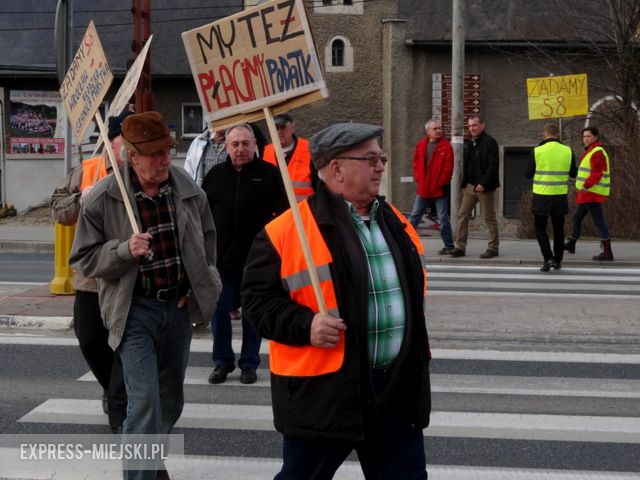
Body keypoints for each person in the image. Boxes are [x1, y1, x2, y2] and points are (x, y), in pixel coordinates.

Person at [242, 123, 431, 479]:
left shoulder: (396, 222)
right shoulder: (287, 230)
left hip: (395, 391)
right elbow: (257, 302)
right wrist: (306, 324)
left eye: (382, 158)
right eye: (371, 159)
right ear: (336, 169)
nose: (380, 166)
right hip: (326, 393)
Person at [70, 111, 222, 480]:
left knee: (170, 400)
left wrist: (203, 284)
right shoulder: (105, 197)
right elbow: (84, 259)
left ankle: (149, 461)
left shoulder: (186, 188)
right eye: (154, 154)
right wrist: (124, 251)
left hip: (177, 309)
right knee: (144, 403)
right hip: (134, 310)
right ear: (131, 157)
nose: (164, 160)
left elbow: (206, 240)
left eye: (167, 151)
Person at [50, 109, 133, 434]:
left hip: (127, 276)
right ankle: (114, 390)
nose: (130, 145)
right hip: (90, 278)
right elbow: (59, 211)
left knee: (125, 343)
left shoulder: (142, 170)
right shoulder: (87, 170)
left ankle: (119, 404)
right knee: (89, 339)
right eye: (124, 137)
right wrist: (78, 199)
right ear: (111, 141)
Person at [203, 124, 287, 385]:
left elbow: (284, 216)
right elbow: (202, 216)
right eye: (235, 144)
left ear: (254, 145)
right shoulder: (214, 176)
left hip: (257, 260)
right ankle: (222, 362)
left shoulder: (270, 175)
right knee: (219, 312)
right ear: (226, 147)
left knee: (252, 313)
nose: (240, 149)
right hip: (222, 259)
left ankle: (249, 363)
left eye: (245, 143)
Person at [525, 123, 577, 271]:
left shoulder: (537, 151)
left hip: (541, 195)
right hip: (559, 195)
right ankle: (558, 260)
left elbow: (527, 174)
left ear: (544, 135)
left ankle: (548, 258)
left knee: (540, 228)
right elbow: (574, 173)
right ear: (558, 135)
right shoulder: (568, 150)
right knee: (558, 229)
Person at [449, 115, 500, 259]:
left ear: (482, 125)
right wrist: (464, 184)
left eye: (475, 125)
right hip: (471, 187)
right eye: (470, 126)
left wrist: (483, 183)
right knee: (462, 215)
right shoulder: (469, 143)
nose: (472, 128)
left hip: (485, 188)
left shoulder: (490, 143)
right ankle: (460, 247)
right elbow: (467, 165)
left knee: (489, 217)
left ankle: (493, 247)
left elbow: (493, 166)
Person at [564, 126, 614, 261]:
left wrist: (586, 185)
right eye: (584, 136)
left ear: (596, 137)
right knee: (576, 217)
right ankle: (571, 243)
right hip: (587, 192)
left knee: (599, 220)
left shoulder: (597, 152)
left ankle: (607, 251)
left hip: (592, 192)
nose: (585, 139)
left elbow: (597, 173)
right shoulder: (590, 151)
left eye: (588, 136)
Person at [408, 119, 454, 254]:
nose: (439, 130)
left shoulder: (446, 146)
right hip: (424, 187)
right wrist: (419, 179)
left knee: (443, 218)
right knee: (414, 217)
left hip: (440, 189)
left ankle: (449, 245)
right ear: (428, 131)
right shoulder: (421, 145)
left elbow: (448, 168)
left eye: (440, 128)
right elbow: (416, 163)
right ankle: (405, 243)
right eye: (435, 129)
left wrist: (440, 182)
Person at [263, 113, 317, 201]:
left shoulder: (309, 149)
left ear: (292, 128)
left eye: (283, 127)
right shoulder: (266, 152)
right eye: (276, 128)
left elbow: (320, 186)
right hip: (280, 213)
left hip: (305, 211)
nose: (279, 132)